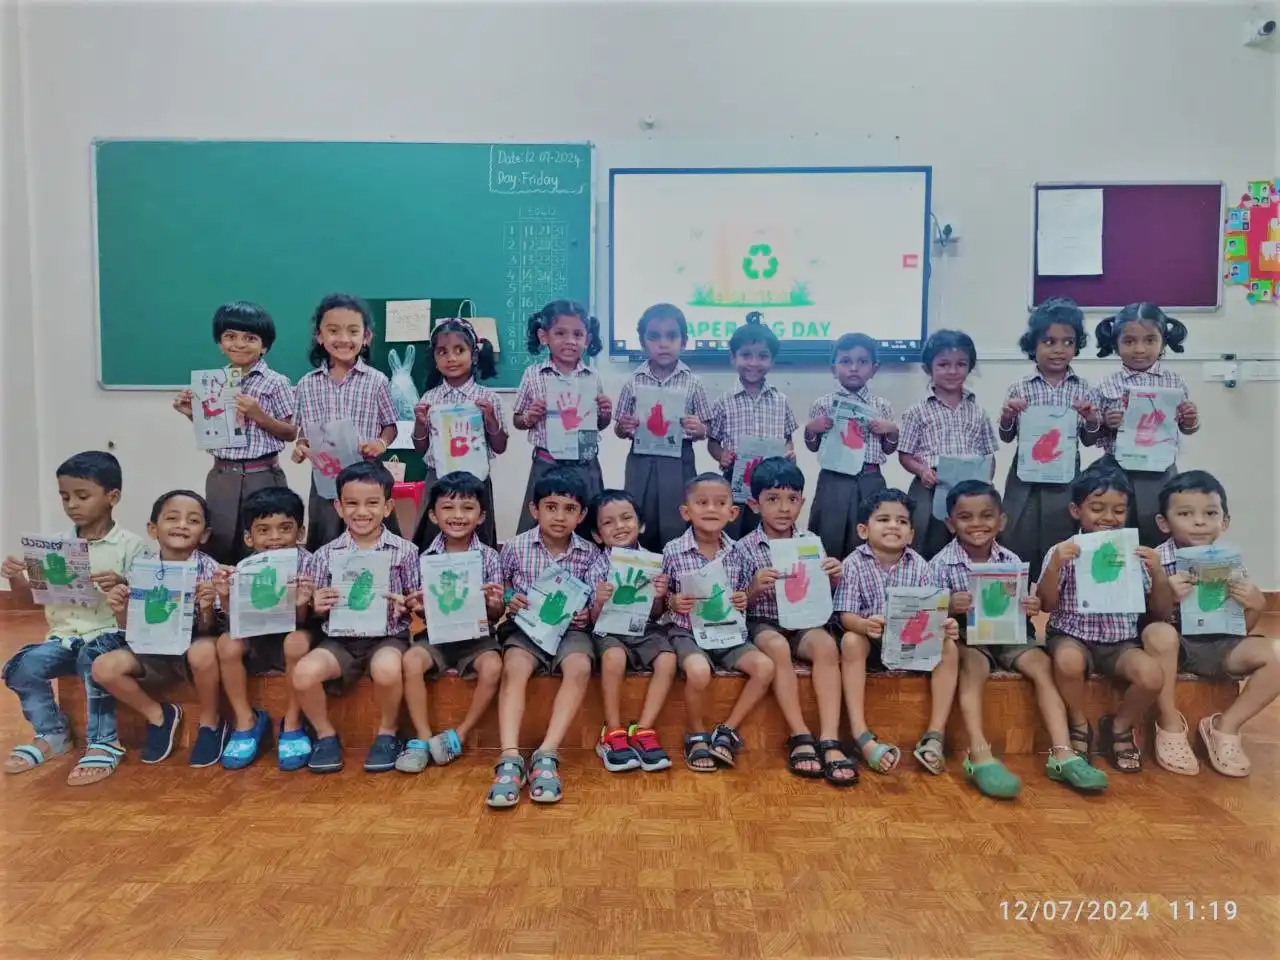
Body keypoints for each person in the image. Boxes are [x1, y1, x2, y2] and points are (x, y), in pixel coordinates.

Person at [932, 480, 1108, 797]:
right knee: (971, 670)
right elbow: (930, 611)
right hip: (969, 638)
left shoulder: (1011, 560)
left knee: (1043, 666)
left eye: (986, 516)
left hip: (1011, 635)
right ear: (950, 523)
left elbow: (1025, 607)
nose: (977, 524)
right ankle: (979, 753)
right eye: (965, 517)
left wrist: (1031, 606)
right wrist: (946, 602)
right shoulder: (939, 564)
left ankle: (1062, 752)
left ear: (1001, 521)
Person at [1, 451, 147, 785]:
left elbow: (146, 601)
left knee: (91, 659)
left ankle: (103, 741)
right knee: (20, 667)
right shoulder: (54, 547)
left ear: (113, 497)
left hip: (109, 636)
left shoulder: (131, 546)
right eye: (65, 497)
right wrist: (16, 579)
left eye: (82, 496)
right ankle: (52, 733)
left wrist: (124, 583)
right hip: (63, 638)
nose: (72, 505)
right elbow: (28, 602)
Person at [1142, 471, 1279, 778]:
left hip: (1220, 644)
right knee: (1159, 634)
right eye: (1185, 514)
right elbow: (1148, 623)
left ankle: (1225, 727)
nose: (1200, 522)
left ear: (1225, 521)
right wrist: (1166, 591)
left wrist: (1257, 604)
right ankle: (1169, 722)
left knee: (1277, 653)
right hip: (1171, 648)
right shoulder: (1156, 560)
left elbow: (1240, 627)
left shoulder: (1230, 562)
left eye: (1210, 513)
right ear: (1164, 523)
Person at [1037, 463, 1173, 773]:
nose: (1108, 518)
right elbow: (1046, 605)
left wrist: (1159, 572)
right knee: (1068, 661)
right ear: (1076, 510)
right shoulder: (1062, 550)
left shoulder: (1137, 554)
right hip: (1072, 635)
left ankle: (1120, 725)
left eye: (1119, 510)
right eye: (1097, 508)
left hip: (1120, 643)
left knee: (1152, 676)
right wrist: (1055, 566)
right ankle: (1078, 721)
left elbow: (1162, 611)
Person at [291, 462, 420, 774]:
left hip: (387, 637)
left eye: (372, 503)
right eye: (352, 503)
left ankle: (388, 733)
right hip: (339, 640)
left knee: (388, 669)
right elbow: (312, 607)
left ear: (388, 507)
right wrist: (316, 604)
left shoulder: (405, 552)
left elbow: (416, 601)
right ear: (338, 507)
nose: (362, 512)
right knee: (304, 674)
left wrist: (408, 603)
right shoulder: (325, 554)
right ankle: (325, 735)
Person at [735, 458, 854, 786]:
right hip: (764, 623)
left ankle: (829, 738)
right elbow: (740, 604)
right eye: (772, 499)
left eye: (792, 499)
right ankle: (799, 733)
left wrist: (833, 577)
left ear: (802, 501)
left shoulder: (810, 543)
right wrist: (754, 588)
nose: (784, 508)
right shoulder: (744, 548)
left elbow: (823, 596)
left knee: (828, 646)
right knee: (776, 647)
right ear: (754, 504)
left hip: (804, 623)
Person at [488, 469, 601, 806]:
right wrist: (510, 599)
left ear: (581, 516)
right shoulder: (514, 548)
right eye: (551, 507)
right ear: (534, 509)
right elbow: (502, 587)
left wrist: (587, 614)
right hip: (525, 629)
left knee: (580, 666)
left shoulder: (590, 553)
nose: (559, 516)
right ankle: (510, 757)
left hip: (571, 632)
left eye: (569, 509)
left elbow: (596, 600)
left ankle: (547, 753)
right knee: (515, 668)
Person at [94, 490, 225, 767]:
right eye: (172, 518)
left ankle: (211, 723)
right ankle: (159, 716)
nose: (181, 525)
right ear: (153, 529)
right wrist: (121, 609)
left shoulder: (210, 571)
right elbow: (130, 628)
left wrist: (204, 606)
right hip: (151, 650)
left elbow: (209, 629)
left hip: (193, 646)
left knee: (203, 651)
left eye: (193, 520)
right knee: (103, 667)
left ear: (204, 534)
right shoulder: (141, 569)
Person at [835, 488, 960, 775]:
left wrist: (946, 623)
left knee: (950, 646)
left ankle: (934, 735)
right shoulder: (853, 563)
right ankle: (860, 734)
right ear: (864, 530)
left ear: (912, 534)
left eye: (902, 522)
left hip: (910, 645)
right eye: (884, 519)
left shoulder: (920, 566)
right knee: (851, 640)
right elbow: (845, 616)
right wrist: (865, 625)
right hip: (873, 644)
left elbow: (933, 613)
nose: (894, 526)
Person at [662, 472, 776, 773]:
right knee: (698, 672)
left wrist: (745, 596)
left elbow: (744, 597)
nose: (711, 509)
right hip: (687, 632)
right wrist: (672, 601)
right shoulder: (672, 551)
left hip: (728, 633)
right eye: (702, 503)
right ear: (686, 512)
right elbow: (661, 601)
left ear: (732, 512)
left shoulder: (738, 552)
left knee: (764, 667)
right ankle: (696, 734)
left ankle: (726, 731)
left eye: (720, 503)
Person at [397, 472, 505, 774]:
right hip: (436, 635)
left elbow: (495, 614)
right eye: (448, 508)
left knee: (494, 666)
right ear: (433, 514)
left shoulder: (490, 557)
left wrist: (494, 604)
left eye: (468, 508)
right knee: (411, 661)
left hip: (478, 637)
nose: (458, 516)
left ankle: (460, 733)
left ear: (481, 516)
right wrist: (416, 607)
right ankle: (421, 738)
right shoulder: (423, 557)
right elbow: (420, 611)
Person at [172, 302, 296, 564]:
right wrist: (191, 413)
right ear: (220, 343)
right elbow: (215, 430)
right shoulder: (213, 381)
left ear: (264, 346)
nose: (239, 344)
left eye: (249, 338)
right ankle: (222, 600)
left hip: (262, 474)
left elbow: (290, 432)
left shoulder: (276, 382)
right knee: (221, 539)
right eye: (230, 337)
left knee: (263, 539)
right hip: (222, 475)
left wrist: (258, 415)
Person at [212, 487, 319, 771]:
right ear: (249, 537)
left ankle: (293, 722)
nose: (275, 538)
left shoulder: (311, 564)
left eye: (285, 528)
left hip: (297, 637)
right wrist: (224, 597)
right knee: (226, 644)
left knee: (295, 641)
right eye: (263, 530)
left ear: (300, 531)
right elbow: (234, 623)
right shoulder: (243, 568)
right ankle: (246, 720)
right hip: (257, 638)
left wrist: (301, 603)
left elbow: (311, 623)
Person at [997, 298, 1102, 581]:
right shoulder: (1021, 387)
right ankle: (1021, 603)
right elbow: (1006, 437)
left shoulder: (1083, 388)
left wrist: (1091, 419)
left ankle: (1054, 602)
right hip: (1025, 478)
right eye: (1049, 341)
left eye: (1068, 342)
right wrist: (1008, 416)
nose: (1058, 350)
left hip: (1065, 477)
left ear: (1076, 346)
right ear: (1033, 345)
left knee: (1060, 536)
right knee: (1016, 534)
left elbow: (1090, 440)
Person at [292, 293, 401, 550]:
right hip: (325, 479)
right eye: (333, 331)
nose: (343, 339)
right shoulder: (307, 384)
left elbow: (391, 426)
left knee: (373, 537)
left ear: (366, 337)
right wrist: (300, 448)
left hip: (368, 475)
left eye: (353, 331)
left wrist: (381, 444)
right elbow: (304, 434)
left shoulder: (377, 381)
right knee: (326, 539)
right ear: (319, 336)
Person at [585, 490, 675, 773]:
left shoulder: (653, 562)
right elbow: (591, 618)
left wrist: (660, 596)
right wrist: (599, 600)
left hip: (644, 628)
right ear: (598, 535)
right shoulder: (596, 565)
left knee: (668, 659)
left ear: (641, 524)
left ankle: (644, 730)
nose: (619, 526)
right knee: (613, 657)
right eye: (608, 523)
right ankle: (613, 732)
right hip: (608, 629)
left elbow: (658, 613)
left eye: (626, 518)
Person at [1093, 303, 1197, 547]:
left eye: (1150, 340)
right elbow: (1093, 431)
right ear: (1115, 343)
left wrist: (1191, 419)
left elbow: (1185, 426)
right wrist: (1107, 423)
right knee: (1117, 529)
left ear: (1163, 341)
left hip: (1160, 468)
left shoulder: (1175, 381)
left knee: (1157, 527)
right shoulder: (1107, 384)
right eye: (1129, 341)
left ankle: (1157, 580)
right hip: (1117, 470)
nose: (1139, 349)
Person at [613, 304, 712, 552]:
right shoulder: (634, 381)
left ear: (684, 341)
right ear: (643, 342)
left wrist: (697, 428)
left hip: (679, 461)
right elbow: (619, 428)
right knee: (638, 517)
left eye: (671, 336)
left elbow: (705, 430)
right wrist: (625, 427)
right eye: (654, 336)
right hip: (641, 461)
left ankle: (675, 575)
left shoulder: (693, 382)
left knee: (677, 521)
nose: (663, 343)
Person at [511, 300, 612, 534]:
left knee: (587, 523)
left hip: (584, 462)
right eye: (560, 333)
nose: (570, 341)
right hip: (547, 462)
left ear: (587, 340)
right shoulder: (533, 375)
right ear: (544, 337)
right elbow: (518, 419)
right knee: (543, 524)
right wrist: (529, 417)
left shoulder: (592, 376)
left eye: (577, 334)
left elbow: (598, 424)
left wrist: (605, 414)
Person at [896, 329, 998, 560]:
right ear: (928, 368)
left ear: (969, 367)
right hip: (930, 487)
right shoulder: (917, 411)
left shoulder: (978, 412)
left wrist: (985, 482)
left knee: (971, 540)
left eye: (960, 364)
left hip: (970, 490)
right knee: (925, 540)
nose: (952, 371)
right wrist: (922, 471)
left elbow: (988, 456)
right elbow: (905, 454)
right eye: (943, 364)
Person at [410, 317, 506, 549]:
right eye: (442, 352)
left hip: (476, 479)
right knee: (434, 537)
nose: (451, 358)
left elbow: (500, 446)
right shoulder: (429, 398)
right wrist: (421, 424)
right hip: (438, 478)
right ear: (434, 359)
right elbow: (420, 448)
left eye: (459, 350)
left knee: (477, 536)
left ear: (473, 355)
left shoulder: (488, 398)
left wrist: (490, 419)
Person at [803, 333, 898, 561]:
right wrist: (811, 429)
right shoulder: (822, 404)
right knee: (829, 536)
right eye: (846, 361)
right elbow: (813, 447)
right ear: (833, 368)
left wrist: (892, 431)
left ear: (874, 368)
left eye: (862, 362)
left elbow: (888, 449)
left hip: (870, 478)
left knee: (869, 537)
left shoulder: (882, 406)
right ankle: (830, 590)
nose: (854, 368)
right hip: (833, 478)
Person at [706, 312, 798, 540]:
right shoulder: (723, 401)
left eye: (762, 356)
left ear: (772, 361)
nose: (754, 363)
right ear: (732, 358)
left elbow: (787, 438)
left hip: (772, 484)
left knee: (769, 533)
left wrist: (789, 452)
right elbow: (713, 441)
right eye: (746, 355)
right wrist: (721, 456)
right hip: (735, 480)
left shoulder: (781, 400)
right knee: (733, 533)